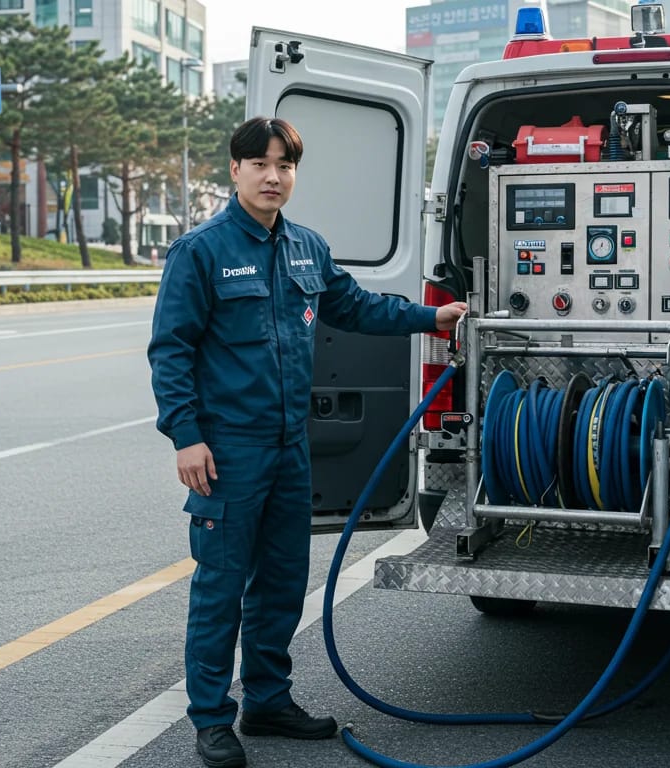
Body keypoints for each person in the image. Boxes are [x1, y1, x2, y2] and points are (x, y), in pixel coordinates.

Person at [147, 116, 467, 768]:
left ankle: (267, 700)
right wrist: (187, 437)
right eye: (260, 163)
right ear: (234, 169)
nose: (273, 176)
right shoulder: (200, 252)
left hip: (291, 447)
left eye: (285, 165)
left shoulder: (305, 248)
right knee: (221, 589)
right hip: (228, 452)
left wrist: (431, 316)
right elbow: (170, 352)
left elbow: (356, 307)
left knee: (283, 584)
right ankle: (213, 720)